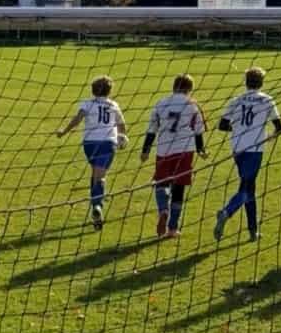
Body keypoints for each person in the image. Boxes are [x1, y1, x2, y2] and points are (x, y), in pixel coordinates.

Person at [212, 67, 281, 243]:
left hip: (237, 148)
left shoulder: (236, 100)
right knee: (246, 187)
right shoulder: (267, 100)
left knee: (248, 188)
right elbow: (280, 127)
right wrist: (270, 135)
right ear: (262, 82)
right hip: (255, 149)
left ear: (245, 82)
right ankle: (227, 212)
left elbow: (222, 125)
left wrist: (238, 130)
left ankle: (253, 231)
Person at [56, 76, 127, 230]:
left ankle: (95, 209)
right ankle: (97, 205)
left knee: (95, 173)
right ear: (110, 91)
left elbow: (77, 119)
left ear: (93, 90)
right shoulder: (114, 105)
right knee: (100, 176)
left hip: (90, 144)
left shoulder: (87, 104)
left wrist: (64, 131)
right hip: (108, 144)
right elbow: (122, 124)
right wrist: (122, 137)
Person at [142, 74, 207, 238]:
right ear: (189, 89)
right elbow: (198, 131)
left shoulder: (161, 103)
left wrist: (145, 150)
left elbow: (152, 129)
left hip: (164, 150)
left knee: (161, 184)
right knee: (179, 189)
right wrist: (201, 150)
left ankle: (163, 209)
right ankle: (172, 228)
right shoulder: (192, 106)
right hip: (185, 150)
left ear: (174, 86)